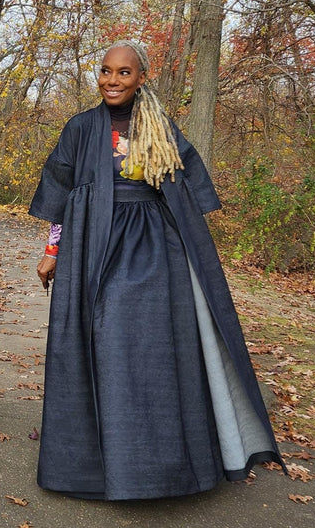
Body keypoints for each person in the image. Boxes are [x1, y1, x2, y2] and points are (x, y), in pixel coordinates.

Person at [29, 40, 283, 500]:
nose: (112, 80)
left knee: (149, 351)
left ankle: (157, 460)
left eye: (124, 73)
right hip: (92, 248)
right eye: (106, 71)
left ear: (140, 78)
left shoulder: (159, 128)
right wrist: (53, 251)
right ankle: (101, 458)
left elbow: (188, 191)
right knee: (100, 344)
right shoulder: (81, 129)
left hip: (153, 251)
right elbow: (60, 196)